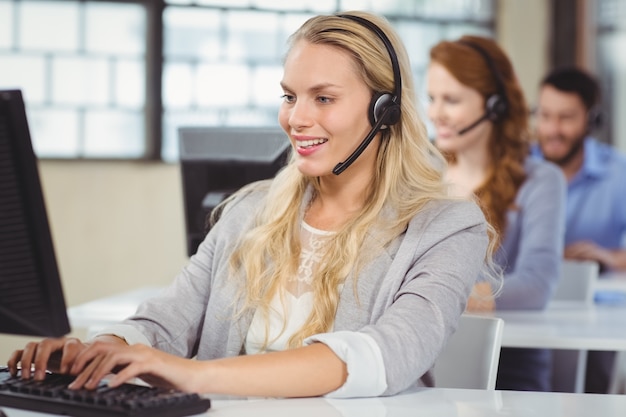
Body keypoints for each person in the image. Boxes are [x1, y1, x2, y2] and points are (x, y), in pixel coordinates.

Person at [8, 12, 498, 399]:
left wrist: (194, 376)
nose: (297, 118)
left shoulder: (445, 226)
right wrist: (100, 350)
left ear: (383, 109)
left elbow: (386, 355)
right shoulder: (251, 211)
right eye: (289, 96)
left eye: (323, 98)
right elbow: (169, 320)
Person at [427, 35, 566, 392]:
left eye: (451, 100)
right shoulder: (422, 173)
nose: (435, 113)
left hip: (508, 371)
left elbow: (537, 285)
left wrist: (443, 294)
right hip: (422, 362)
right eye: (432, 99)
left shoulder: (540, 180)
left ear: (495, 106)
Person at [533, 67, 626, 393]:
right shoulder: (517, 170)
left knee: (594, 383)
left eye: (566, 118)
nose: (551, 129)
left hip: (594, 317)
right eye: (544, 116)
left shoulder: (618, 173)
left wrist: (608, 256)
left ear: (592, 119)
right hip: (527, 311)